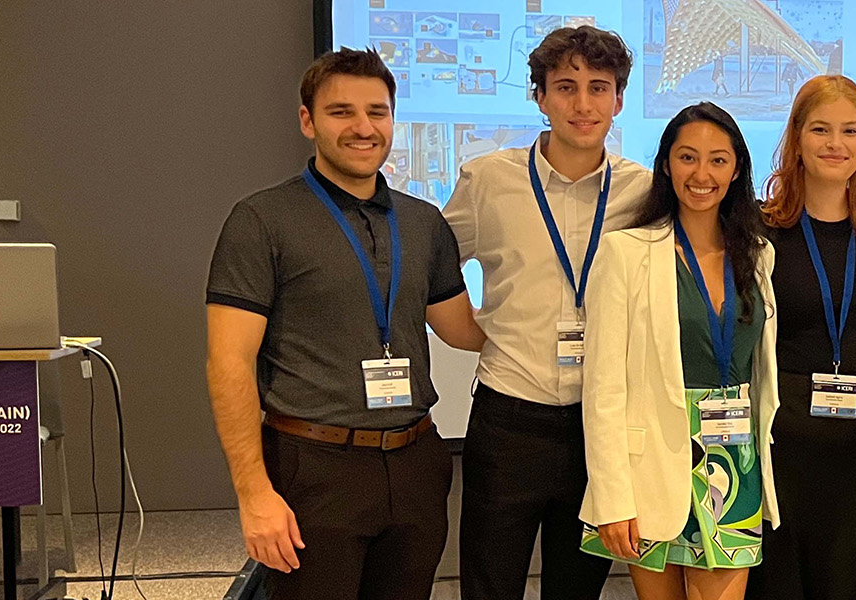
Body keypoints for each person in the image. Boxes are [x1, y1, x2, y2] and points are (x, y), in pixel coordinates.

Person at [205, 48, 480, 600]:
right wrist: (253, 493)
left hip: (416, 462)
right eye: (341, 112)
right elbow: (228, 361)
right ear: (307, 121)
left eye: (377, 112)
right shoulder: (262, 220)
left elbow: (463, 330)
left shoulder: (423, 222)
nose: (363, 127)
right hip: (314, 466)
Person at [439, 25, 648, 600]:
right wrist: (478, 333)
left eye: (598, 88)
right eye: (565, 87)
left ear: (618, 100)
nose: (583, 104)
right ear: (540, 96)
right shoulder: (488, 180)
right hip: (509, 422)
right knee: (489, 586)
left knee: (577, 590)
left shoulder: (643, 192)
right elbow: (430, 266)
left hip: (598, 430)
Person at [577, 102, 781, 600]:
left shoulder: (758, 255)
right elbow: (603, 388)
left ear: (736, 170)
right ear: (666, 165)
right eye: (688, 157)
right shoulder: (626, 253)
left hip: (735, 462)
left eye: (718, 160)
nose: (702, 174)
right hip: (650, 467)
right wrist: (611, 497)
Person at [746, 75, 856, 600]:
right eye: (820, 129)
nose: (836, 143)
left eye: (850, 131)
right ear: (796, 136)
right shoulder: (761, 225)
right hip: (785, 434)